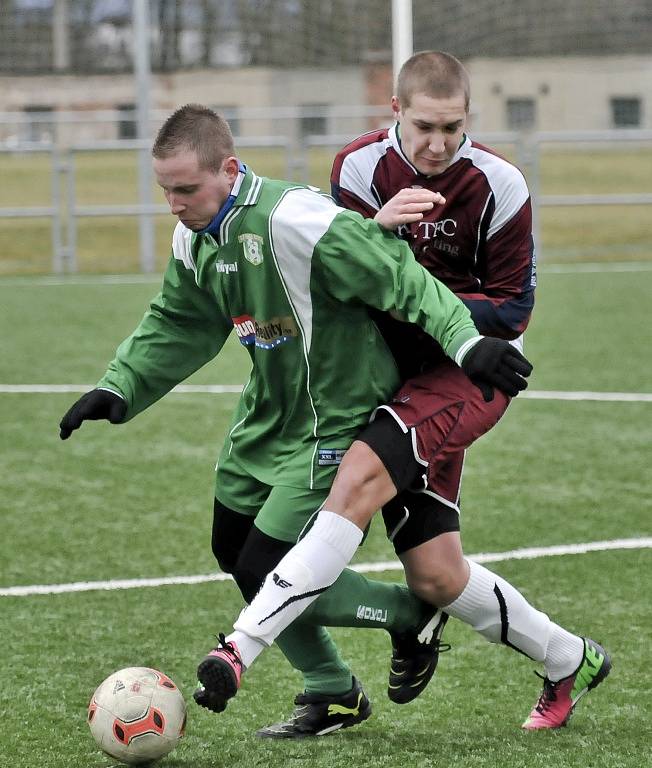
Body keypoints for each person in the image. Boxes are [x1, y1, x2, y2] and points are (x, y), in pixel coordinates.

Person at [58, 104, 532, 737]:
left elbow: (399, 276)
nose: (173, 203)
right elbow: (179, 321)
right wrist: (118, 385)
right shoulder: (195, 235)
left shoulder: (296, 219)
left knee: (265, 564)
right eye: (165, 190)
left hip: (336, 415)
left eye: (186, 189)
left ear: (229, 170)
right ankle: (337, 692)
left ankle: (400, 617)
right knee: (232, 547)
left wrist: (467, 342)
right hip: (270, 416)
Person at [198, 52, 611, 733]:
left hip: (469, 375)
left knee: (355, 480)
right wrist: (375, 232)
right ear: (396, 111)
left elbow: (508, 313)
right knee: (437, 578)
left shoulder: (501, 184)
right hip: (386, 379)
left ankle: (239, 650)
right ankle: (571, 659)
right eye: (424, 126)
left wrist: (420, 297)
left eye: (453, 127)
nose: (439, 143)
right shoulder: (357, 170)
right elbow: (347, 276)